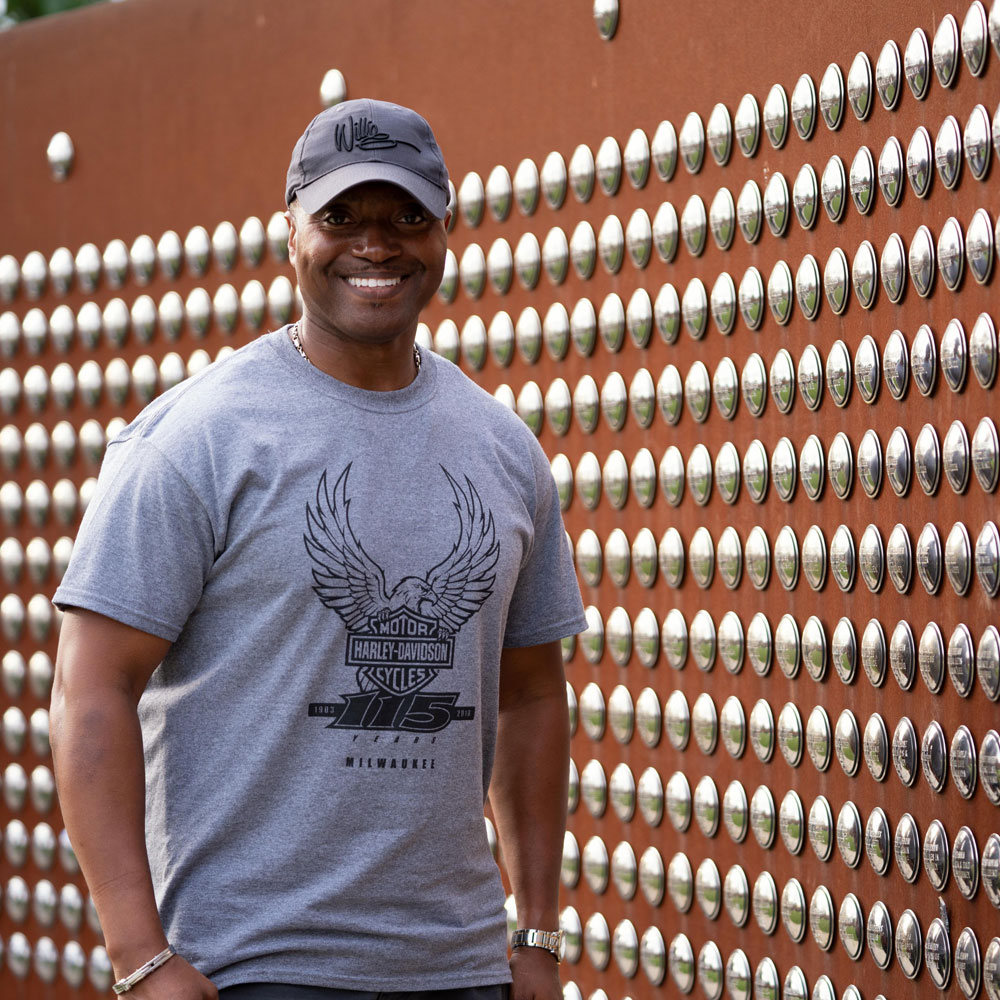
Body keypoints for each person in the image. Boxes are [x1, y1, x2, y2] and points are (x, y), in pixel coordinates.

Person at [50, 98, 586, 1000]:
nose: (375, 245)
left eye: (406, 216)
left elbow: (532, 693)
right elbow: (90, 686)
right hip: (254, 968)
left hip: (457, 971)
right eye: (341, 216)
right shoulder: (198, 439)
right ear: (290, 230)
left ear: (445, 230)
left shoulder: (502, 449)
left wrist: (534, 930)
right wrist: (140, 958)